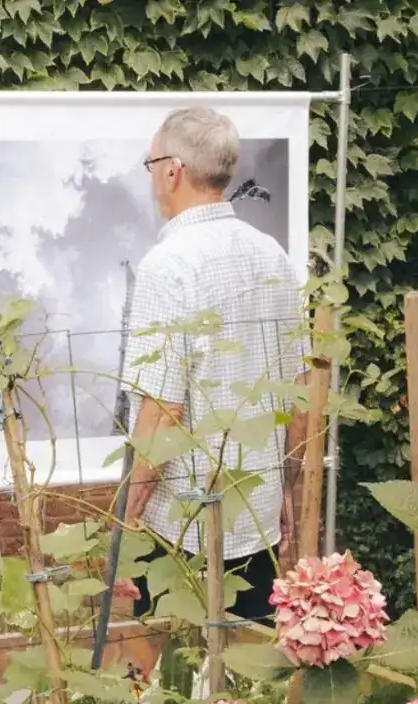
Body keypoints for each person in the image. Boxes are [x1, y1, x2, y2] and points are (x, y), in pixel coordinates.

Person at [121, 107, 308, 624]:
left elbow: (162, 412)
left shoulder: (167, 265)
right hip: (257, 516)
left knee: (174, 680)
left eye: (150, 163)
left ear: (173, 170)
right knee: (248, 686)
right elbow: (298, 393)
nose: (152, 176)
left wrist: (129, 519)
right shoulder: (273, 256)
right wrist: (284, 491)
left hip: (179, 526)